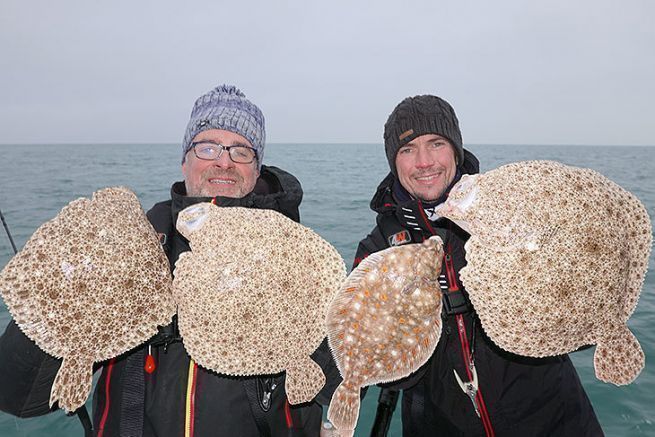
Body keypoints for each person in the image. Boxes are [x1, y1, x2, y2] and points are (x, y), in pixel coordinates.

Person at [0, 84, 339, 436]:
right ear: (185, 160)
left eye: (241, 151)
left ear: (256, 168)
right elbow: (19, 398)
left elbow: (338, 382)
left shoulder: (295, 252)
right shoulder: (141, 241)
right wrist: (60, 290)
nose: (223, 161)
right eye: (207, 147)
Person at [355, 94, 603, 436]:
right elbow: (366, 352)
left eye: (436, 143)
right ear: (394, 162)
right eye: (408, 149)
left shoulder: (512, 209)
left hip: (552, 417)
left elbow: (576, 296)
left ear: (455, 150)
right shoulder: (378, 249)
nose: (424, 161)